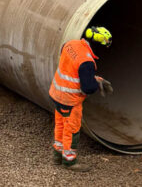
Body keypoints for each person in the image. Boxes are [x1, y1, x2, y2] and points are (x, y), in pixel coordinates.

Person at [48, 25, 114, 172]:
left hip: (57, 93)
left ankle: (57, 156)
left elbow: (72, 68)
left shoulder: (71, 44)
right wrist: (96, 84)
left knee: (60, 125)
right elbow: (87, 88)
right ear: (98, 44)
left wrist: (94, 78)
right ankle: (69, 161)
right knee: (72, 129)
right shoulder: (87, 62)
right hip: (70, 100)